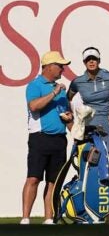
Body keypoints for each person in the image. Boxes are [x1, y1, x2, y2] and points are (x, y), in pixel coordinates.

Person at [21, 50, 73, 225]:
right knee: (34, 178)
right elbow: (34, 106)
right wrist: (54, 93)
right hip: (40, 138)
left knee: (53, 181)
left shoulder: (59, 90)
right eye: (60, 66)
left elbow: (65, 114)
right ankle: (25, 218)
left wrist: (69, 117)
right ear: (49, 67)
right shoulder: (35, 85)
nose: (62, 70)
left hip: (59, 139)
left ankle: (48, 219)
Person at [66, 47, 109, 161]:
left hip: (107, 123)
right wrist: (72, 121)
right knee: (88, 160)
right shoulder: (77, 82)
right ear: (84, 62)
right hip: (87, 125)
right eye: (88, 59)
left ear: (99, 61)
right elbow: (67, 99)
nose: (91, 61)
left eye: (94, 59)